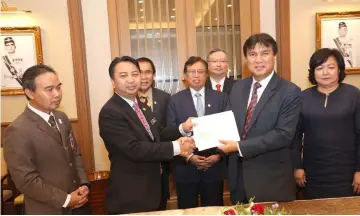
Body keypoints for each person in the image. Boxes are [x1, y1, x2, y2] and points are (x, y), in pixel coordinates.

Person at [98, 56, 196, 214]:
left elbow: (158, 134)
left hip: (154, 190)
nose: (131, 80)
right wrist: (177, 147)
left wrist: (182, 129)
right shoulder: (111, 112)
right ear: (113, 81)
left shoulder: (139, 105)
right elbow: (134, 149)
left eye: (135, 74)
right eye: (123, 76)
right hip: (132, 195)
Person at [217, 33, 301, 203]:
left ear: (274, 56)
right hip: (238, 180)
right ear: (246, 58)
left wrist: (239, 146)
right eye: (252, 54)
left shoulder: (289, 91)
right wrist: (200, 130)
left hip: (270, 180)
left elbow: (283, 135)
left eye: (265, 53)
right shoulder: (238, 87)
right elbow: (227, 121)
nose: (258, 59)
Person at [3, 64, 91, 214]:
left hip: (78, 203)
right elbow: (26, 180)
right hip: (48, 209)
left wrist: (83, 183)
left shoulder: (61, 117)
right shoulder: (18, 130)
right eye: (49, 89)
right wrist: (65, 199)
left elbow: (75, 154)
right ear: (30, 93)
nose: (57, 94)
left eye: (59, 87)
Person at [292, 48, 360, 199]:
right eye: (320, 68)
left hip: (346, 173)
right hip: (312, 173)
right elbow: (295, 137)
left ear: (339, 70)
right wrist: (297, 166)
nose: (325, 73)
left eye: (331, 67)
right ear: (313, 72)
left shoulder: (354, 95)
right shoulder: (303, 97)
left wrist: (359, 170)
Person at [167, 56, 228, 209]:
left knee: (214, 209)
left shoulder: (221, 98)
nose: (196, 75)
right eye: (192, 71)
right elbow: (169, 131)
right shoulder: (175, 100)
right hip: (185, 168)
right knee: (187, 210)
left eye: (200, 71)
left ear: (206, 74)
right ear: (185, 76)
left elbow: (228, 130)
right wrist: (189, 157)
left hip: (214, 167)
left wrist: (219, 156)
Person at [136, 57, 171, 210]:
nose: (144, 77)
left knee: (160, 206)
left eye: (148, 72)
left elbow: (170, 129)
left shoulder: (165, 98)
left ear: (154, 75)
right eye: (139, 72)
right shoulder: (127, 100)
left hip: (161, 165)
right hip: (137, 167)